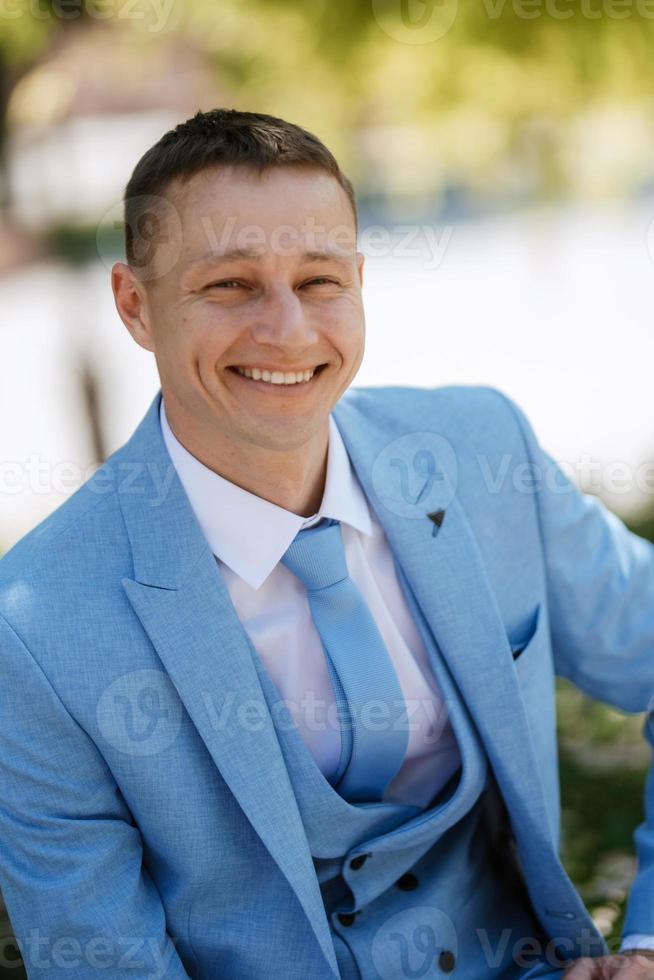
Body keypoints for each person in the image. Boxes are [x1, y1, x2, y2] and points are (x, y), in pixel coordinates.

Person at [0, 108, 653, 980]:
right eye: (229, 285)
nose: (289, 331)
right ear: (135, 305)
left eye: (319, 281)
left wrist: (644, 943)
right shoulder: (36, 629)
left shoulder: (483, 451)